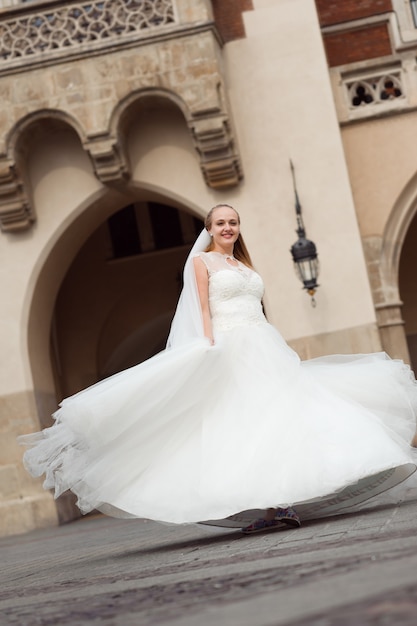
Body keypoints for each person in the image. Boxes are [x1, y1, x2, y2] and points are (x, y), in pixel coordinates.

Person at [19, 204, 417, 534]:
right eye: (221, 223)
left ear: (238, 228)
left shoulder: (243, 264)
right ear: (209, 229)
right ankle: (271, 505)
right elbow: (202, 309)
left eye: (233, 222)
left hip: (263, 344)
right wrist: (208, 345)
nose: (228, 227)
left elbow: (256, 306)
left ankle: (283, 502)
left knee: (283, 417)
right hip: (230, 345)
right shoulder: (202, 262)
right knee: (243, 420)